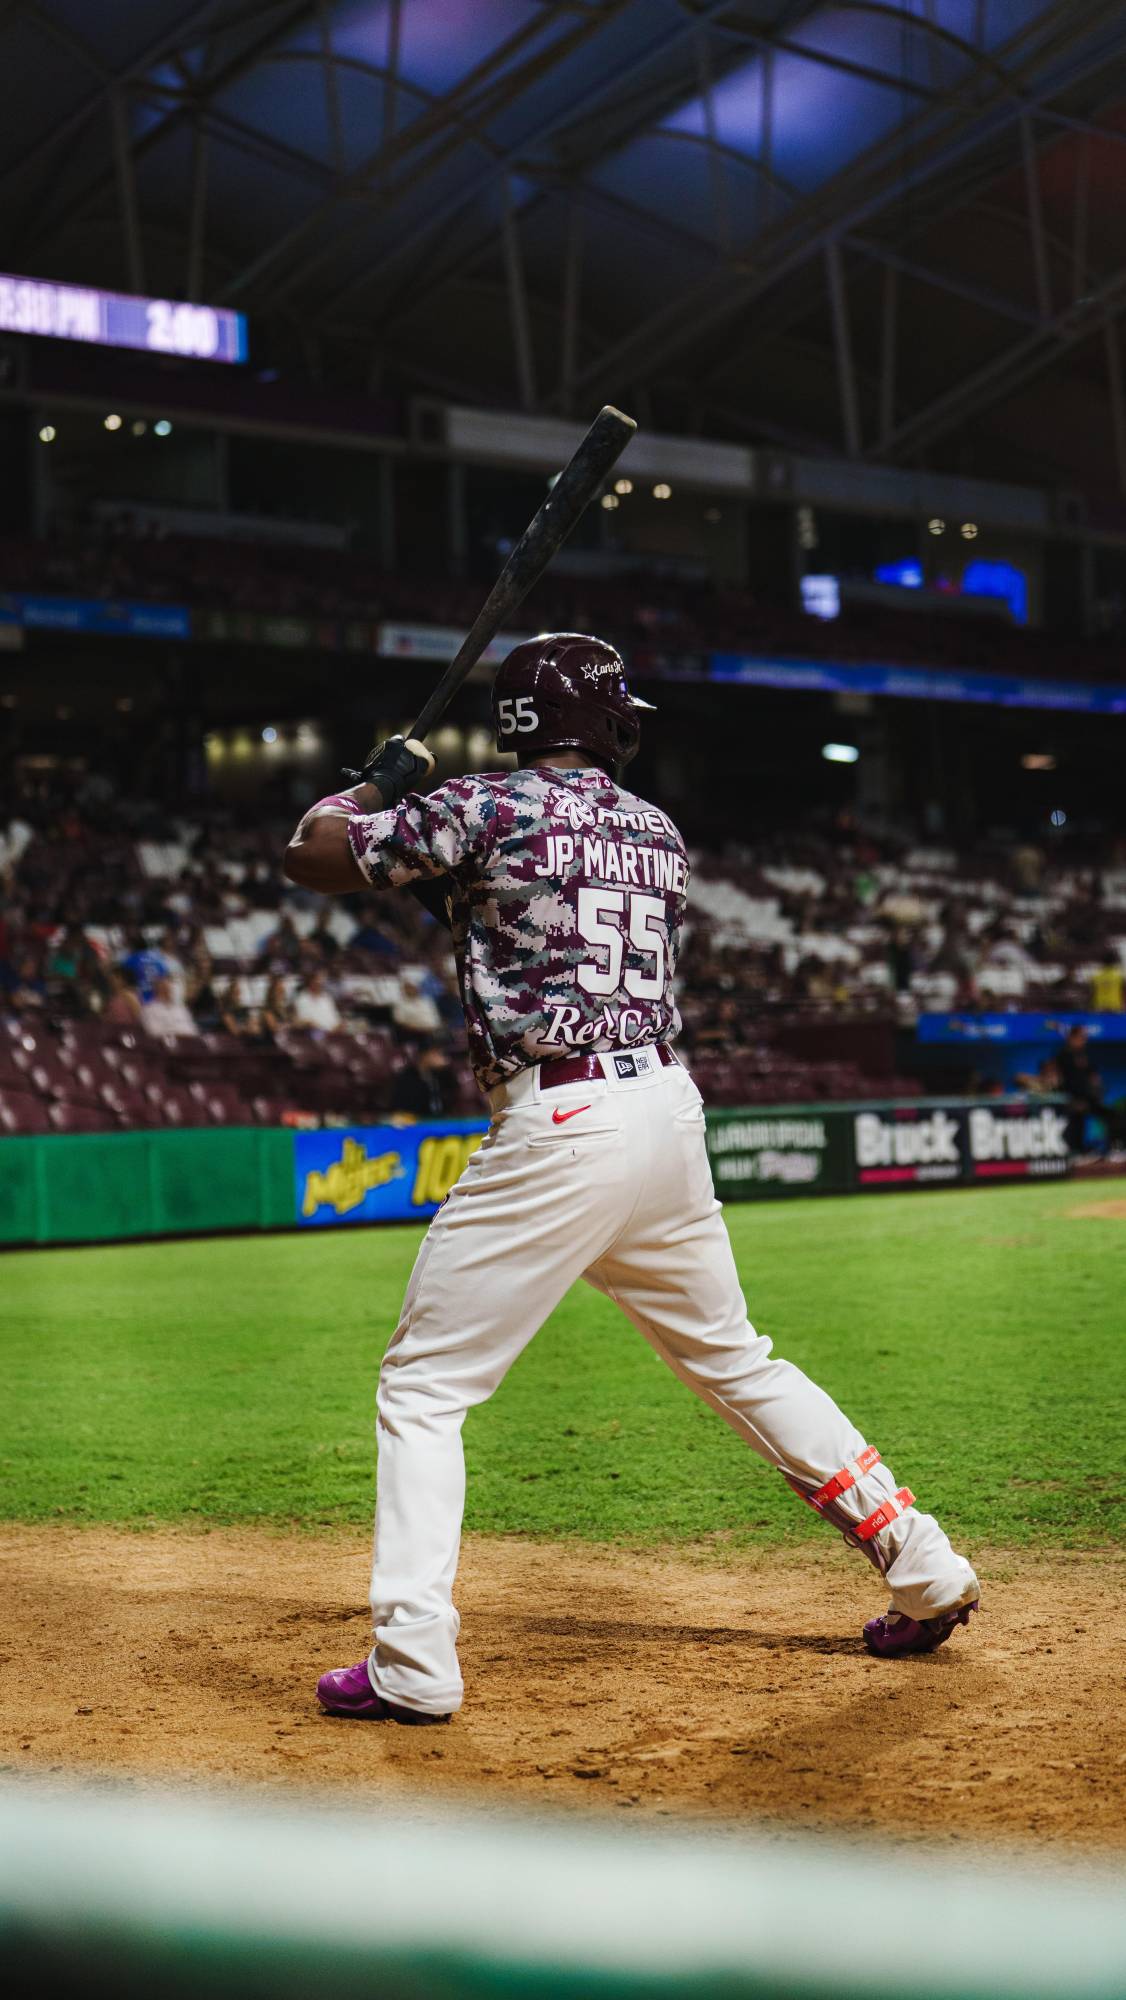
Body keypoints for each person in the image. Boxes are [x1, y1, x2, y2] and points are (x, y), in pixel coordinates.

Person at [284, 634, 979, 1726]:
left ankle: (412, 1659)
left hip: (560, 1118)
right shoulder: (654, 825)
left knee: (423, 1389)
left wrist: (377, 781)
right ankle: (921, 1559)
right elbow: (499, 911)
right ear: (597, 720)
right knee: (737, 1360)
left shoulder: (484, 804)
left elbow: (313, 852)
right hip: (662, 1113)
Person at [292, 967, 342, 1034]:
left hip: (333, 1033)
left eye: (321, 980)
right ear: (310, 982)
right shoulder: (301, 999)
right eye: (317, 980)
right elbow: (301, 1021)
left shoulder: (327, 998)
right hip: (313, 1035)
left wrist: (338, 1026)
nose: (320, 982)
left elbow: (336, 1019)